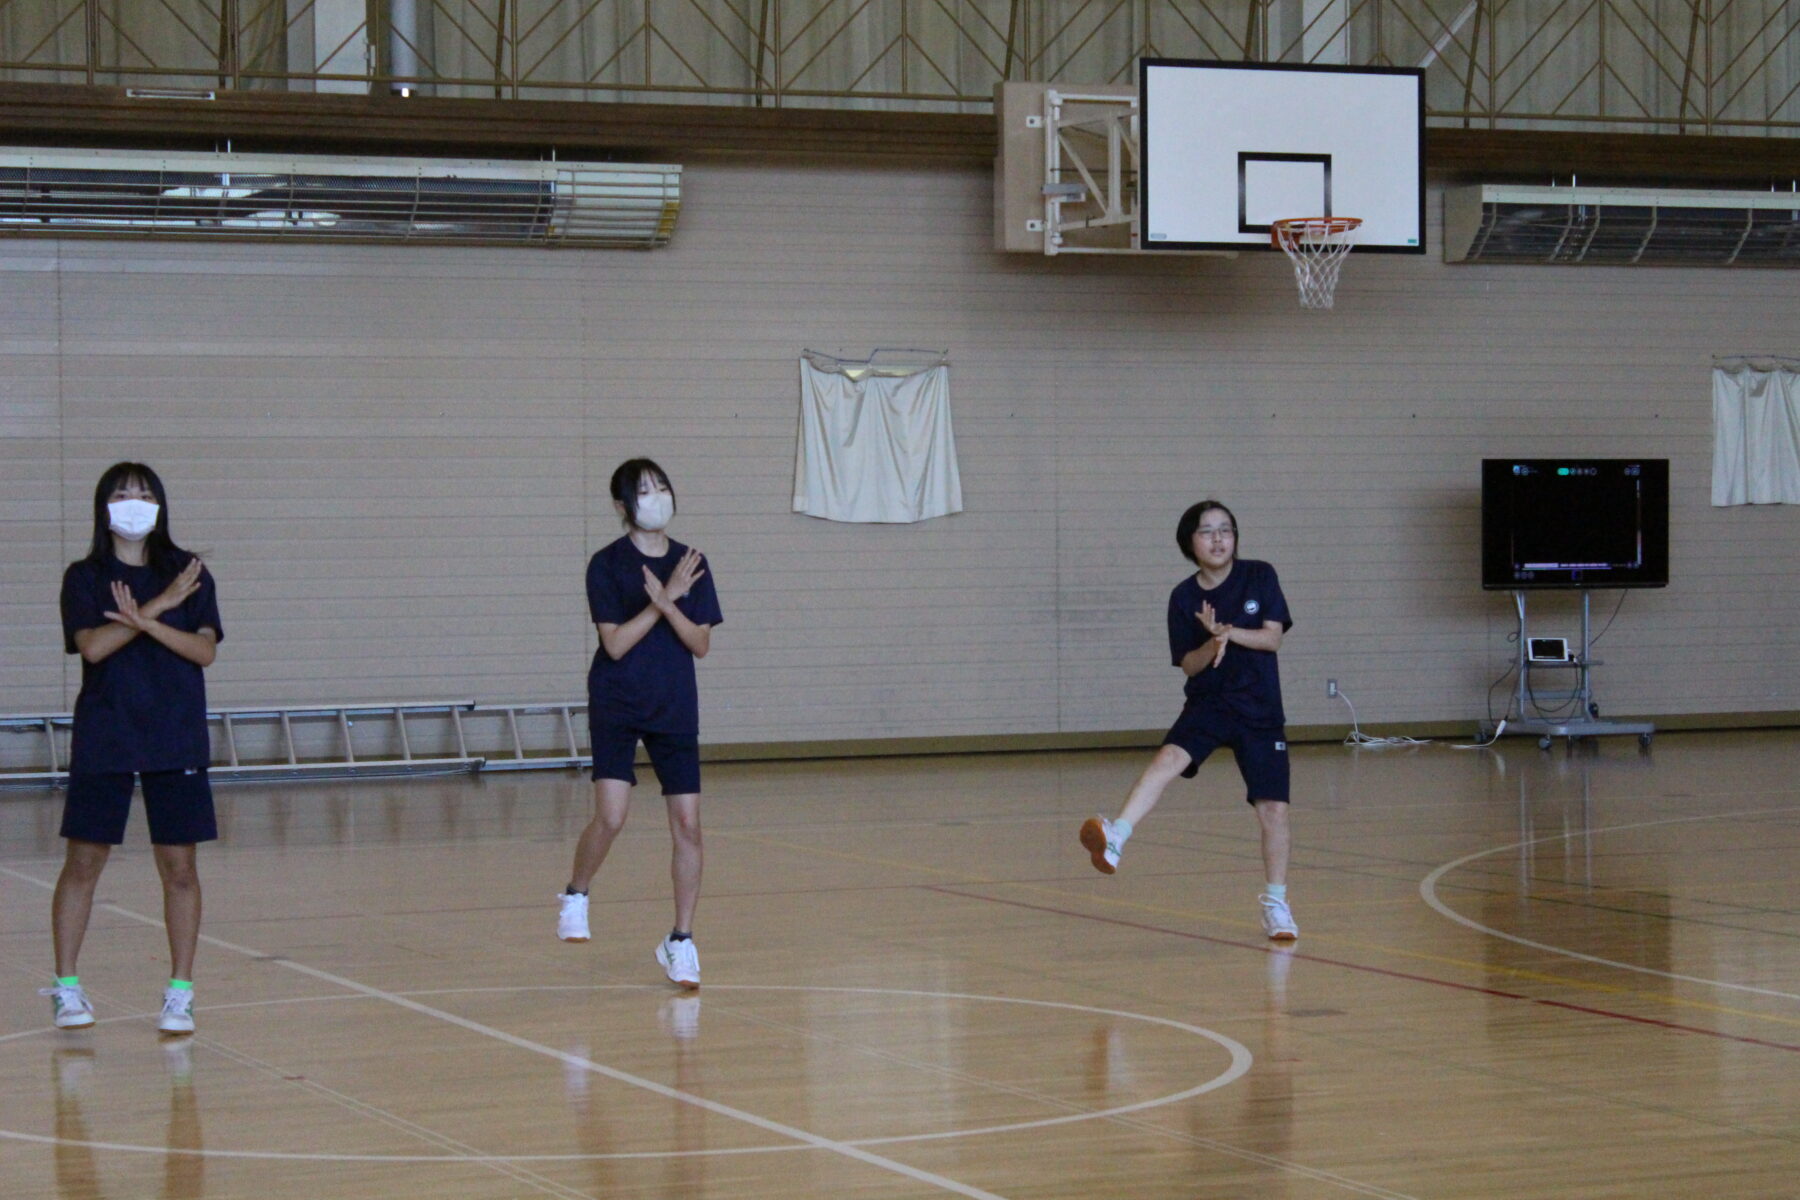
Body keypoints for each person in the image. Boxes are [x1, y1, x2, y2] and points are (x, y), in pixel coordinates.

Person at [46, 462, 223, 1034]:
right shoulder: (84, 577)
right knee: (84, 862)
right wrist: (154, 609)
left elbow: (203, 653)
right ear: (104, 506)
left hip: (175, 733)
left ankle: (180, 993)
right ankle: (67, 988)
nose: (134, 503)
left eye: (144, 494)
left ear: (160, 505)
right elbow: (94, 647)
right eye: (123, 494)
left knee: (180, 868)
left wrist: (153, 614)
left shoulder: (188, 574)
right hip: (108, 731)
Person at [1078, 499, 1300, 940]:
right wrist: (1209, 644)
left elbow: (1272, 639)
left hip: (1259, 708)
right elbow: (1190, 665)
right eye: (1207, 531)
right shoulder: (1183, 597)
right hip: (1210, 704)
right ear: (1189, 542)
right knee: (1167, 760)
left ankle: (1276, 905)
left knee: (1273, 809)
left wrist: (1228, 632)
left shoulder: (1260, 575)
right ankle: (1117, 837)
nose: (1218, 539)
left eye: (1226, 530)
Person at [559, 458, 722, 988]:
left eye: (662, 486)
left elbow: (699, 643)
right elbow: (615, 642)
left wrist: (672, 600)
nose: (657, 497)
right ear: (621, 506)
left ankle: (680, 941)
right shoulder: (605, 564)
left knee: (689, 826)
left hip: (673, 701)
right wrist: (661, 601)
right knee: (611, 816)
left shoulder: (692, 563)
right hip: (618, 698)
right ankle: (577, 893)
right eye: (644, 490)